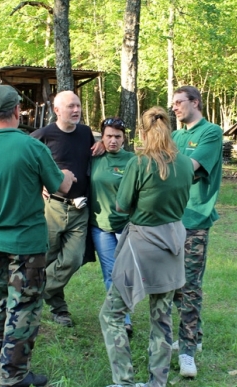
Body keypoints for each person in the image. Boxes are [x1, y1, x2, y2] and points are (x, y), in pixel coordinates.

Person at [0, 85, 76, 387]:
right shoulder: (32, 147)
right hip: (26, 245)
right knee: (23, 307)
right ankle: (14, 376)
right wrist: (66, 175)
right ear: (17, 111)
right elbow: (60, 186)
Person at [99, 106, 194, 387]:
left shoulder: (140, 163)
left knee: (112, 314)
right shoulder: (186, 163)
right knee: (162, 318)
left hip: (142, 245)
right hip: (174, 243)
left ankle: (124, 381)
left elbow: (121, 205)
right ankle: (157, 383)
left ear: (142, 131)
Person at [31, 90, 104, 327]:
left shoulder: (85, 133)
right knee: (49, 258)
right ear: (56, 110)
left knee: (72, 259)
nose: (76, 110)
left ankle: (32, 295)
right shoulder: (43, 135)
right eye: (70, 106)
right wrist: (39, 182)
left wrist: (102, 144)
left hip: (80, 208)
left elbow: (94, 157)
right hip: (52, 207)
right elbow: (25, 162)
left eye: (78, 105)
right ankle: (59, 309)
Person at [170, 86, 223, 378]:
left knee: (189, 285)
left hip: (194, 218)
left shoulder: (210, 133)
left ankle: (188, 350)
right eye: (173, 103)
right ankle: (196, 335)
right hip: (170, 217)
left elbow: (187, 167)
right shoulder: (176, 136)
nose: (175, 107)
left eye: (180, 102)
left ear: (195, 103)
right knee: (175, 283)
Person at [89, 117, 134, 336]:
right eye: (108, 136)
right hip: (101, 226)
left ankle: (123, 310)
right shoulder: (94, 158)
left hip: (127, 226)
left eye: (117, 136)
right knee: (110, 272)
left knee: (125, 273)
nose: (113, 141)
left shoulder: (133, 161)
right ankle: (121, 319)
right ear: (102, 137)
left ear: (124, 138)